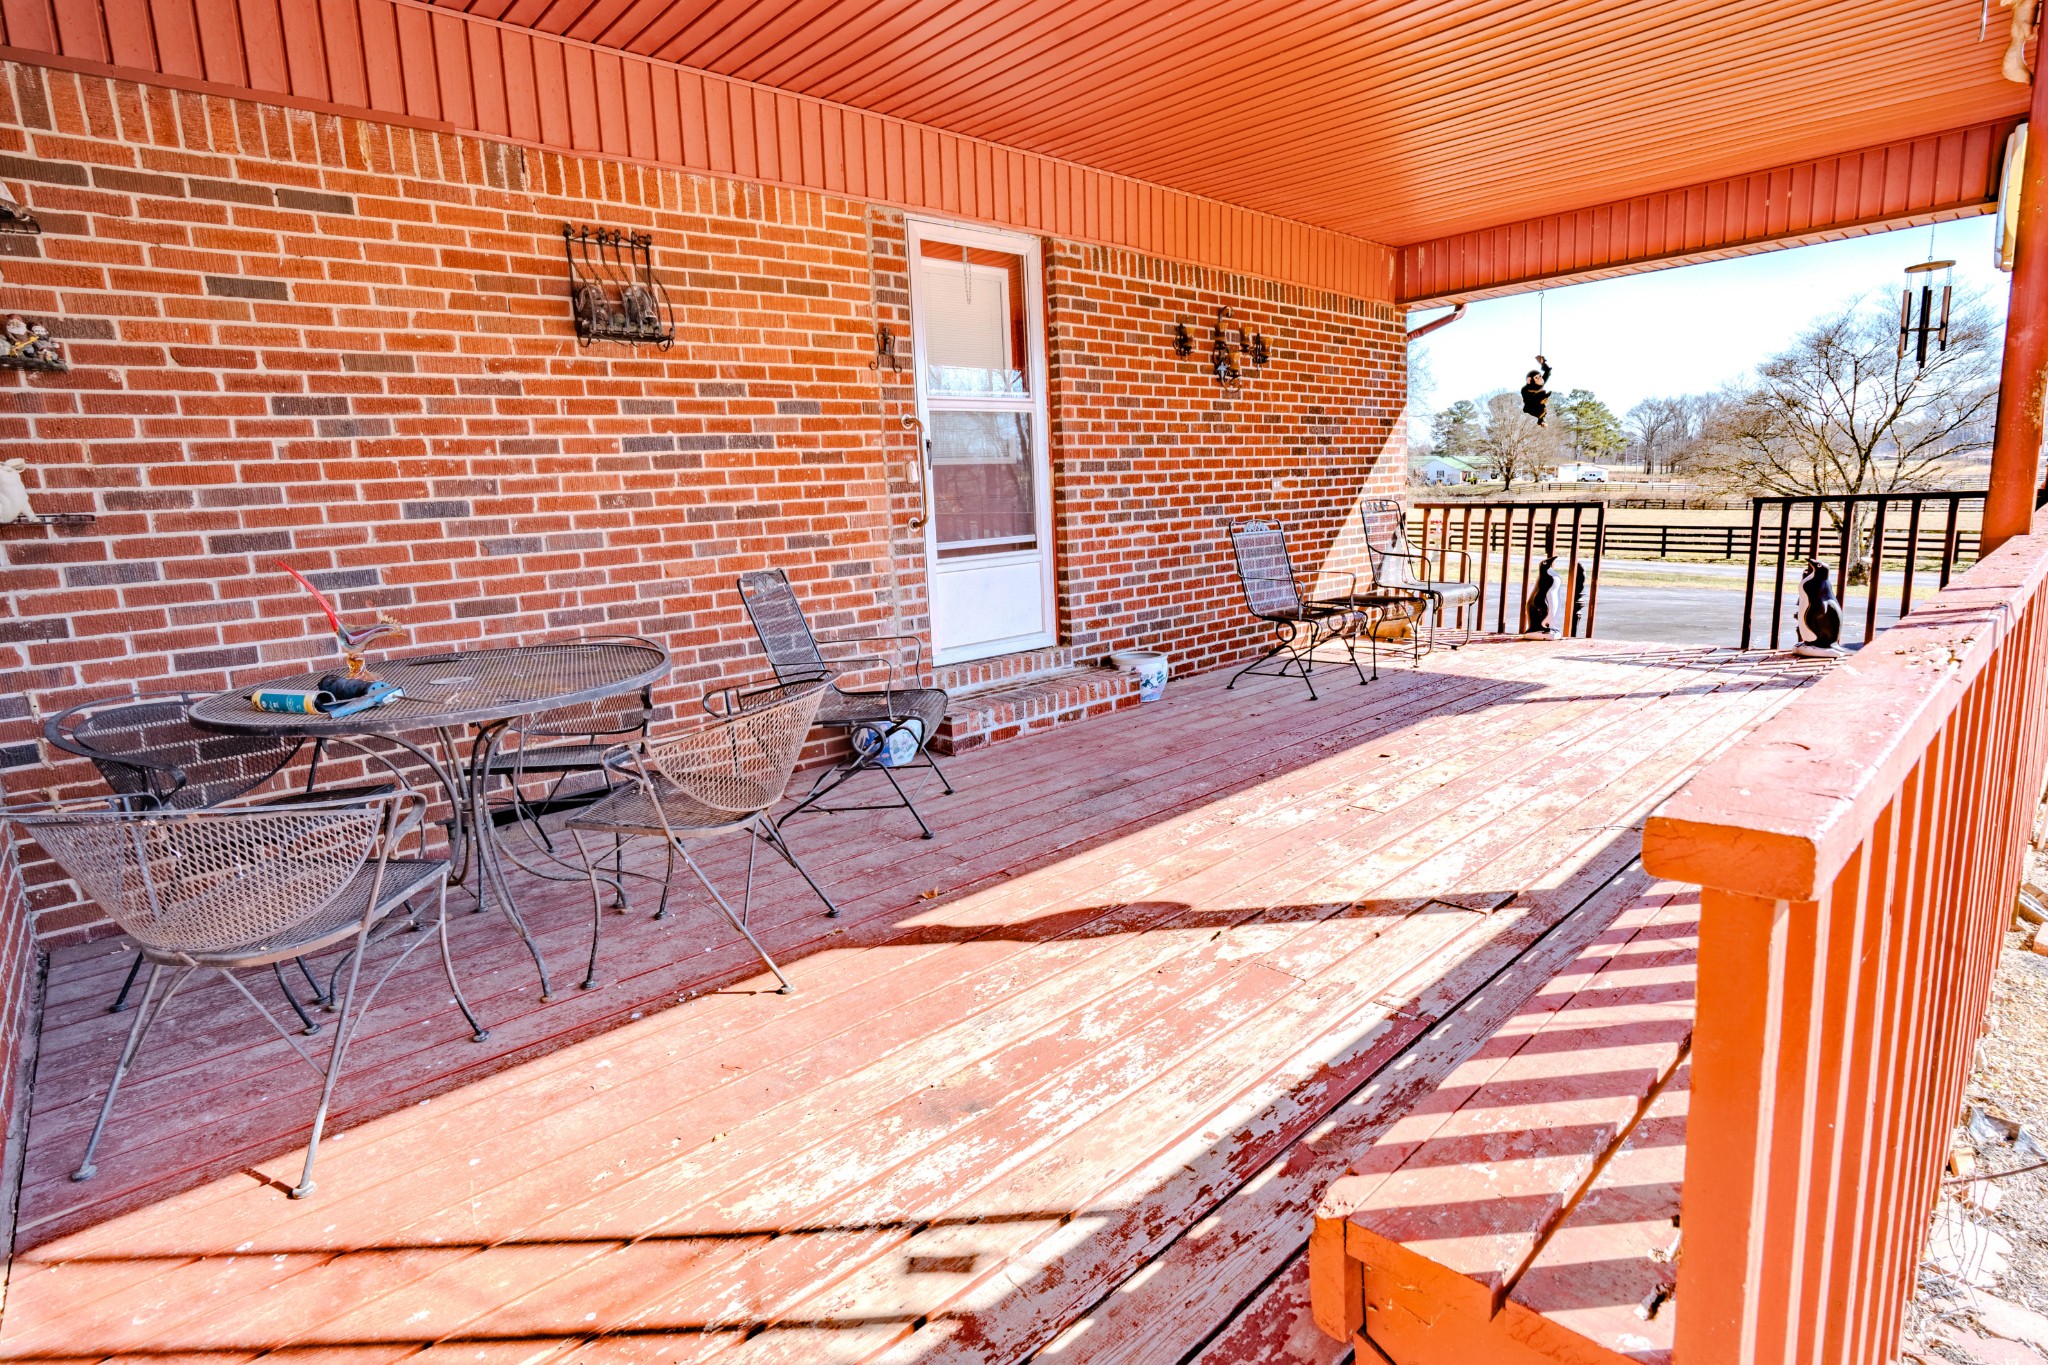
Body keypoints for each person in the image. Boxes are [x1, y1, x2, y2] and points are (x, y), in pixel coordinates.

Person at [1520, 355, 1552, 426]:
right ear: (1530, 380)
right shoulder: (1525, 390)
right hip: (1531, 406)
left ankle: (1542, 419)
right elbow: (1528, 401)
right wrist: (1539, 401)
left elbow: (1547, 372)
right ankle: (1541, 418)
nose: (1540, 379)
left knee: (1542, 407)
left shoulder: (1540, 384)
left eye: (1540, 376)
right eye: (1536, 378)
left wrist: (1543, 363)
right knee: (1539, 405)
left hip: (1539, 404)